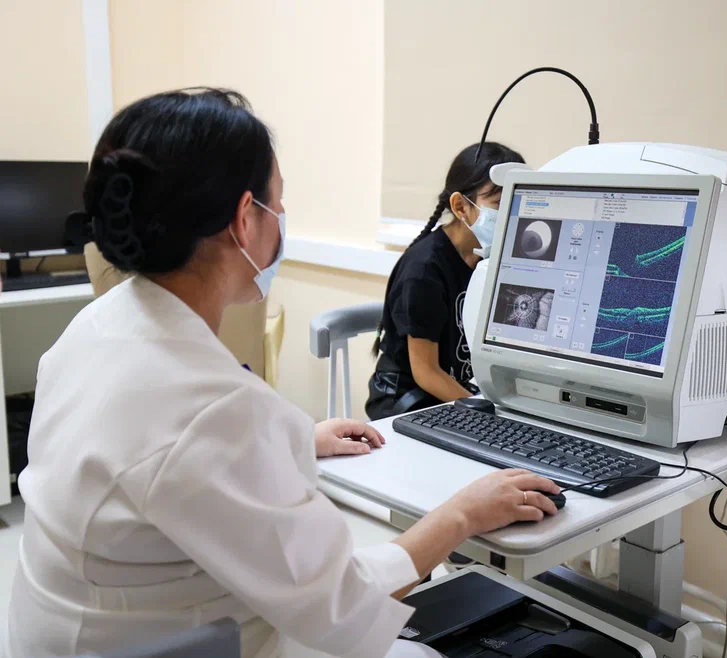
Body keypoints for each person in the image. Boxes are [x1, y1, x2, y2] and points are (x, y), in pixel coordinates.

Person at [6, 89, 560, 658]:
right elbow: (343, 609)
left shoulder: (97, 325)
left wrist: (296, 438)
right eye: (279, 201)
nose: (283, 217)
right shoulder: (216, 408)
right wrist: (463, 513)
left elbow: (167, 459)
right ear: (245, 219)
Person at [366, 142, 525, 420]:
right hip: (409, 402)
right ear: (461, 206)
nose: (511, 215)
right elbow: (426, 372)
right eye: (500, 204)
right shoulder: (424, 270)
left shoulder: (492, 259)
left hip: (455, 393)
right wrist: (487, 412)